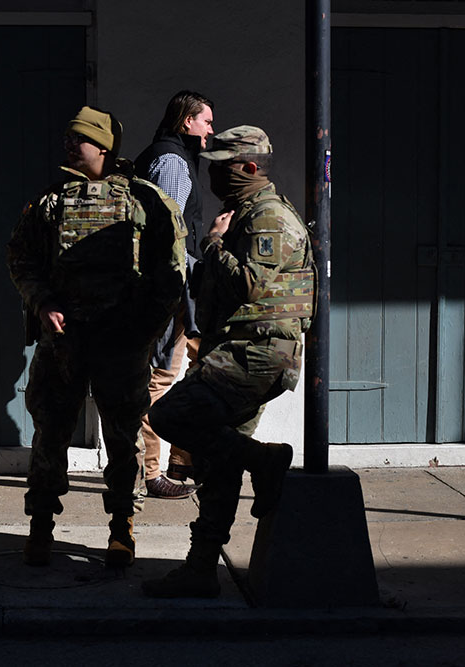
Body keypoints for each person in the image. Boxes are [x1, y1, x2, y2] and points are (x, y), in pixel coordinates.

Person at [7, 106, 186, 568]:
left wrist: (142, 331)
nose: (69, 145)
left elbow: (170, 275)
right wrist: (42, 302)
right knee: (50, 435)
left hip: (121, 346)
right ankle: (41, 525)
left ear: (104, 147)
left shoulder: (145, 200)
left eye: (79, 139)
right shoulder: (50, 202)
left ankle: (122, 528)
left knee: (124, 440)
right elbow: (21, 258)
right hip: (62, 344)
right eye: (68, 138)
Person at [142, 126, 314, 598]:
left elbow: (249, 285)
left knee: (168, 414)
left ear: (250, 168)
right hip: (237, 349)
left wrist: (214, 244)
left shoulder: (269, 217)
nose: (212, 175)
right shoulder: (246, 213)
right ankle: (200, 570)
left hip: (258, 354)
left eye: (223, 167)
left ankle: (265, 459)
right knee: (218, 464)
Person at [133, 90, 214, 500]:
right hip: (174, 286)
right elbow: (169, 232)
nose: (211, 130)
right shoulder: (172, 162)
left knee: (200, 366)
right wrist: (176, 288)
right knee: (160, 376)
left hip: (181, 284)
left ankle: (182, 459)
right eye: (206, 122)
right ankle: (150, 473)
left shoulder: (177, 158)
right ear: (187, 122)